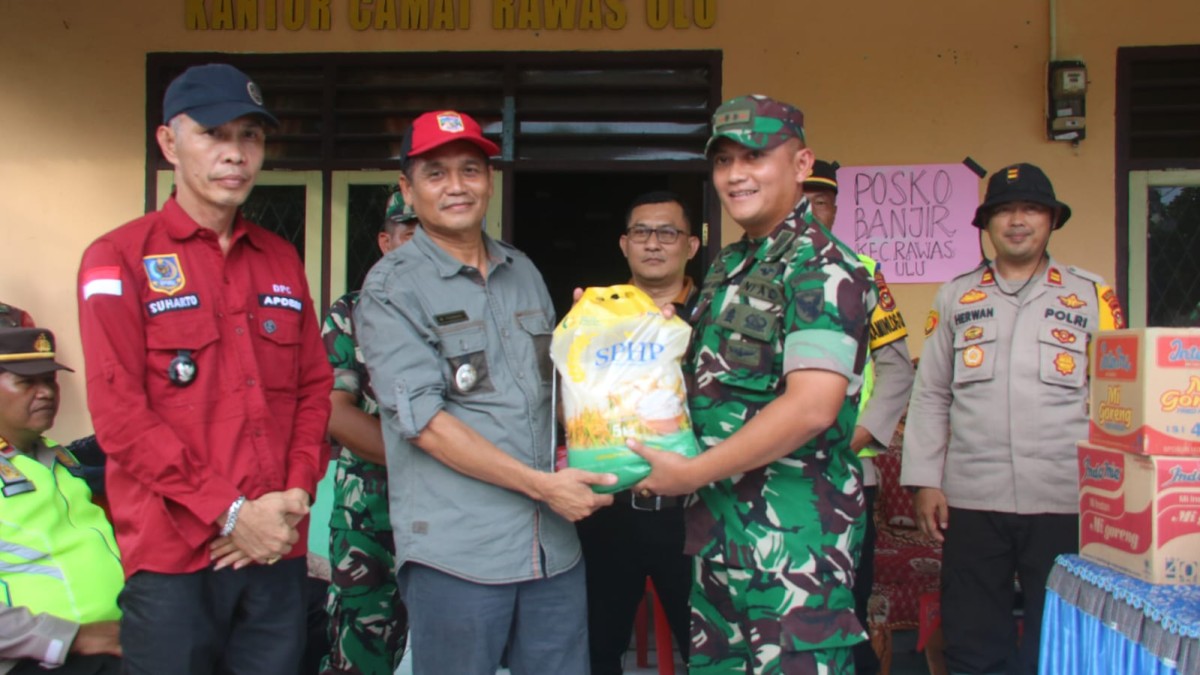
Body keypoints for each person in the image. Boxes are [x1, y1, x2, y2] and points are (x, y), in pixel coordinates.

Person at [76, 63, 333, 674]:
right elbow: (119, 418)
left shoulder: (278, 258)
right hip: (174, 559)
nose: (236, 154)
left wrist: (294, 495)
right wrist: (233, 513)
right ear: (169, 143)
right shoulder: (117, 258)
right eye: (214, 134)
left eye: (251, 136)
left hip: (274, 551)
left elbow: (313, 389)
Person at [355, 109, 614, 675]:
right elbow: (425, 423)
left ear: (489, 181)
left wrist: (610, 342)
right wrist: (543, 486)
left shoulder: (522, 270)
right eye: (436, 173)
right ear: (408, 188)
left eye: (471, 170)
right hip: (460, 556)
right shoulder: (391, 289)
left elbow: (551, 400)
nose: (456, 186)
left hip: (552, 552)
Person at [629, 94, 876, 674]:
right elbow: (705, 381)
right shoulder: (730, 265)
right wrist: (612, 330)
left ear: (799, 163)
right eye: (723, 161)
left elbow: (812, 408)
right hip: (720, 539)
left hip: (795, 550)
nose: (735, 175)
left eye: (756, 156)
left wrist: (689, 474)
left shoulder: (823, 266)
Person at [901, 163, 1125, 675]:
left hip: (1067, 497)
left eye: (1030, 209)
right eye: (1004, 210)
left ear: (1051, 220)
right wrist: (923, 480)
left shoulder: (1092, 296)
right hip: (973, 498)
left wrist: (1114, 495)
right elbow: (931, 393)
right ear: (987, 224)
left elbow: (1118, 399)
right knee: (973, 639)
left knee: (1061, 639)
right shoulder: (956, 296)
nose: (1017, 221)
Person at [576, 190, 699, 675]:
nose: (654, 244)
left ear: (690, 246)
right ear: (624, 244)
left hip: (693, 515)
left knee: (709, 650)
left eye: (667, 232)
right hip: (611, 510)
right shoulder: (595, 315)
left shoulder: (715, 315)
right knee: (596, 650)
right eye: (642, 233)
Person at [803, 159, 915, 675]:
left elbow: (895, 370)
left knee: (844, 602)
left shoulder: (863, 271)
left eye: (821, 199)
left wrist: (861, 434)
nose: (809, 207)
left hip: (847, 469)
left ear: (835, 208)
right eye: (801, 196)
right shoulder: (752, 268)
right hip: (765, 475)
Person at [320, 192, 417, 675]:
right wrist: (434, 461)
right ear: (385, 241)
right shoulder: (352, 313)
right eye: (408, 231)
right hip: (370, 522)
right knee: (359, 662)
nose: (421, 244)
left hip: (456, 523)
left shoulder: (468, 313)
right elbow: (335, 413)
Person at [0, 327, 124, 675]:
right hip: (37, 659)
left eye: (49, 381)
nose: (45, 393)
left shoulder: (58, 459)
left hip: (114, 642)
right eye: (26, 383)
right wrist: (73, 637)